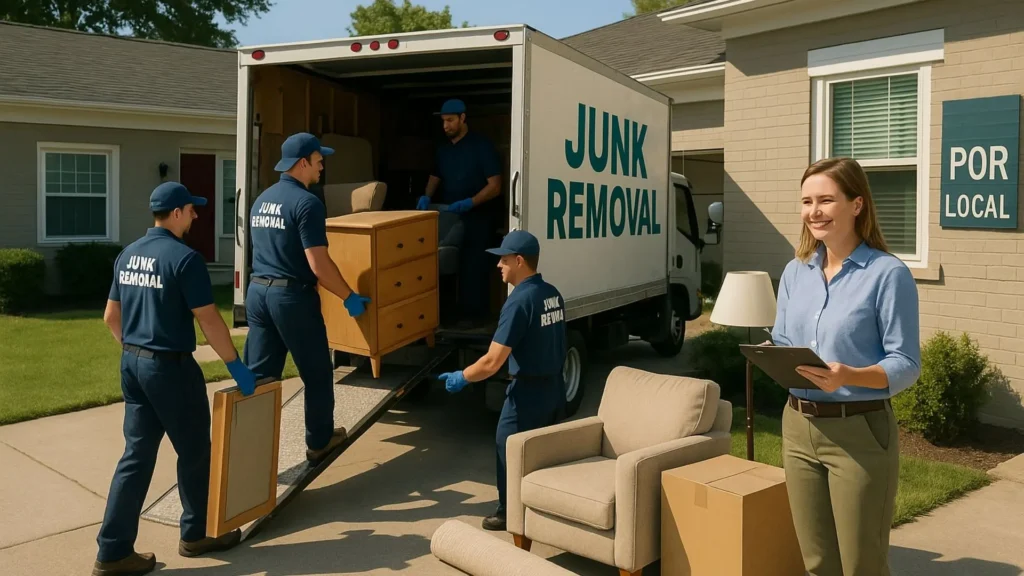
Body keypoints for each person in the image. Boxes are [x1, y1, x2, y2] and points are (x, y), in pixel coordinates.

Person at [93, 182, 258, 576]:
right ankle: (197, 533)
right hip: (170, 369)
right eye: (192, 209)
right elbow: (209, 320)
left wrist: (134, 350)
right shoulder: (185, 260)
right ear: (177, 213)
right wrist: (236, 365)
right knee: (196, 451)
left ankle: (113, 551)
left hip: (133, 365)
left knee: (135, 456)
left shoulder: (127, 254)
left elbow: (110, 317)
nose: (197, 216)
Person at [771, 157, 921, 576]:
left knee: (861, 564)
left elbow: (906, 363)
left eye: (825, 200)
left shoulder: (887, 274)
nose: (814, 211)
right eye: (806, 201)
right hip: (798, 427)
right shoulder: (794, 271)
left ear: (856, 205)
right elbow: (784, 339)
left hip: (859, 431)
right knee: (817, 562)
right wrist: (770, 351)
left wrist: (847, 376)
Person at [244, 132, 371, 466]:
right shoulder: (308, 202)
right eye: (318, 160)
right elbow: (319, 264)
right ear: (302, 163)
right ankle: (319, 442)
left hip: (257, 293)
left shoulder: (262, 199)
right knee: (316, 373)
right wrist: (349, 296)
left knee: (260, 380)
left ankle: (249, 457)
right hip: (290, 297)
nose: (322, 165)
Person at [438, 230, 567, 532]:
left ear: (520, 261)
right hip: (554, 388)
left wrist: (463, 376)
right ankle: (544, 510)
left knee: (506, 447)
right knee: (544, 453)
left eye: (504, 259)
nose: (499, 265)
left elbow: (492, 361)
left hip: (528, 393)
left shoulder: (519, 301)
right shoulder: (552, 293)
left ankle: (509, 513)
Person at [416, 98, 502, 326]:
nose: (446, 126)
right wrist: (426, 196)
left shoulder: (481, 146)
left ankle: (476, 319)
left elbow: (495, 185)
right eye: (443, 121)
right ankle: (449, 316)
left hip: (478, 217)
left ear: (463, 118)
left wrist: (470, 203)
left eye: (450, 121)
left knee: (474, 267)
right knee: (447, 263)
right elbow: (435, 176)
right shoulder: (443, 150)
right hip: (451, 217)